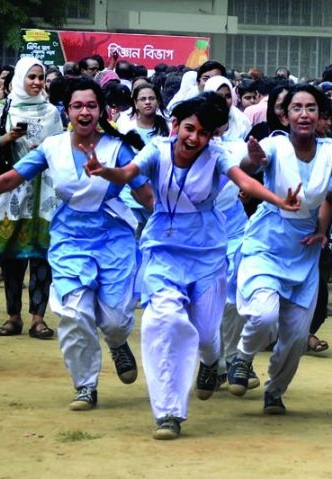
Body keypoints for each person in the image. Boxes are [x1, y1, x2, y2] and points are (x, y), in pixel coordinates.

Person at [85, 92, 298, 440]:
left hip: (207, 253)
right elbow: (126, 173)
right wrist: (102, 169)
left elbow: (245, 181)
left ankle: (212, 363)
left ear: (212, 135)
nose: (193, 138)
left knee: (205, 333)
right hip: (162, 251)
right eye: (188, 128)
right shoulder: (156, 149)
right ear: (175, 126)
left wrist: (279, 200)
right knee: (163, 321)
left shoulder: (216, 156)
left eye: (203, 132)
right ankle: (168, 412)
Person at [0, 78, 153, 410]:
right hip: (68, 238)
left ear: (101, 111)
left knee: (115, 320)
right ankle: (85, 385)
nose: (85, 112)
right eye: (78, 106)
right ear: (68, 111)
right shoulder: (53, 147)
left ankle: (118, 342)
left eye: (91, 106)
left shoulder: (118, 148)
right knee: (75, 313)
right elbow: (10, 178)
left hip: (114, 237)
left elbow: (146, 195)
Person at [227, 85, 332, 415]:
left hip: (304, 248)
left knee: (297, 336)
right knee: (264, 314)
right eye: (296, 108)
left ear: (321, 115)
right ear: (285, 115)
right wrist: (252, 161)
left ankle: (275, 390)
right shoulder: (274, 144)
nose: (304, 114)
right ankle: (242, 356)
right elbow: (246, 167)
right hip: (266, 241)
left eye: (311, 108)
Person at [0, 57, 64, 339]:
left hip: (44, 194)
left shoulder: (52, 112)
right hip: (12, 191)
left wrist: (47, 148)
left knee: (42, 258)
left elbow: (61, 147)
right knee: (11, 258)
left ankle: (38, 319)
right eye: (31, 77)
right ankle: (13, 317)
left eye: (40, 77)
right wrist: (8, 138)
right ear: (19, 79)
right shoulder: (4, 109)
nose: (37, 82)